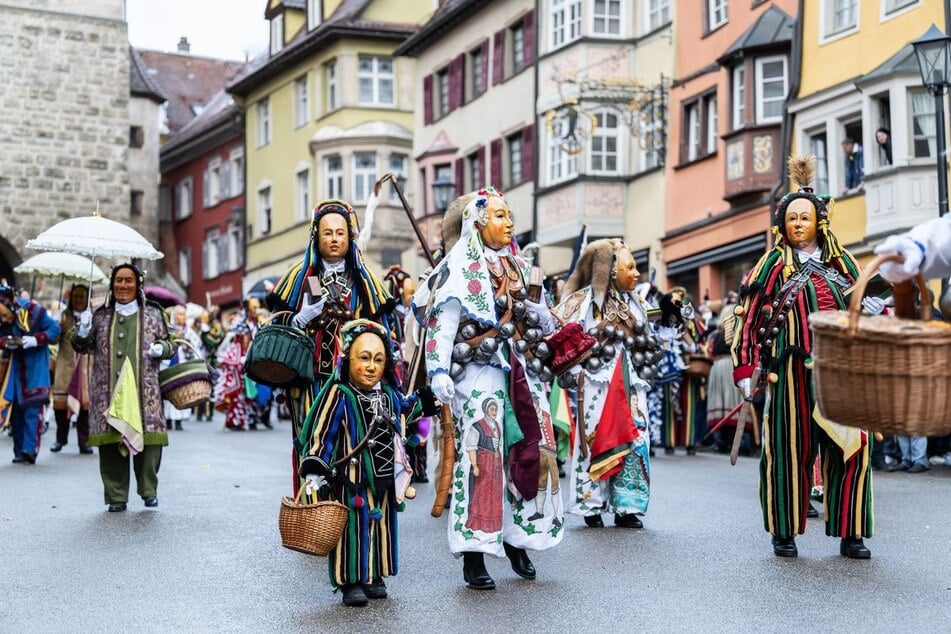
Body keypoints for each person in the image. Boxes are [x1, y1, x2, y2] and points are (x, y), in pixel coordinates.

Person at [412, 187, 564, 591]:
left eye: (509, 215)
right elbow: (443, 322)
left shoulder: (520, 267)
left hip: (522, 369)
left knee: (533, 448)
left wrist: (541, 314)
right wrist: (438, 371)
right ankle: (475, 552)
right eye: (499, 215)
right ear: (477, 223)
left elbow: (544, 319)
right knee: (484, 453)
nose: (509, 222)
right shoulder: (460, 265)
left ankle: (519, 538)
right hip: (480, 371)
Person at [731, 154, 879, 559]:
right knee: (787, 451)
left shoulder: (843, 262)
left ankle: (851, 532)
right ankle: (784, 532)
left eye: (805, 218)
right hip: (789, 370)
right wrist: (745, 366)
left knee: (853, 449)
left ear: (819, 222)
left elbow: (867, 305)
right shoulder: (770, 266)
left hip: (840, 372)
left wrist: (873, 308)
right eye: (791, 218)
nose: (798, 224)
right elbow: (748, 318)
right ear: (782, 225)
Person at [298, 319, 438, 607]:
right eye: (364, 358)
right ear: (349, 359)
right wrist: (315, 467)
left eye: (378, 359)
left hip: (384, 475)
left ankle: (374, 575)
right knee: (353, 527)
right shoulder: (340, 393)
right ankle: (350, 580)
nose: (372, 366)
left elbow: (403, 414)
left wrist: (425, 400)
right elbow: (323, 431)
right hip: (351, 478)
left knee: (380, 525)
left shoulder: (387, 393)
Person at [267, 200, 394, 504]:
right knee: (310, 439)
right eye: (327, 233)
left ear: (350, 237)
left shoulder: (364, 280)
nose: (334, 239)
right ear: (316, 236)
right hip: (308, 379)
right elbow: (278, 328)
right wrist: (300, 319)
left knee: (350, 440)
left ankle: (347, 509)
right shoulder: (301, 277)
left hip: (354, 381)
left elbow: (382, 331)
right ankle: (312, 510)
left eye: (340, 233)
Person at [552, 238, 652, 529]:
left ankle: (627, 506)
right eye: (630, 268)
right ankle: (590, 503)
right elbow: (560, 333)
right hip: (597, 382)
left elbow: (655, 334)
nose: (636, 274)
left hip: (632, 381)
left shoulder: (637, 302)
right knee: (594, 438)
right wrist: (577, 369)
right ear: (611, 271)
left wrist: (671, 315)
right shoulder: (584, 302)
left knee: (636, 438)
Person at [72, 264, 174, 512]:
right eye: (119, 280)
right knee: (110, 443)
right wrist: (82, 330)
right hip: (107, 390)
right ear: (112, 284)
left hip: (144, 391)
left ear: (138, 284)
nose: (123, 285)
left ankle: (148, 489)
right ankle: (116, 495)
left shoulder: (153, 314)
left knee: (149, 442)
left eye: (129, 280)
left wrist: (162, 349)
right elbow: (82, 346)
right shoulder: (100, 315)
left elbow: (172, 343)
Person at [0, 283, 60, 464]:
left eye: (4, 315)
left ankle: (30, 449)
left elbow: (55, 331)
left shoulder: (35, 311)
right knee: (16, 412)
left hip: (35, 368)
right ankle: (19, 451)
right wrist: (5, 341)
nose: (3, 319)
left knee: (32, 409)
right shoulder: (4, 321)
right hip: (14, 370)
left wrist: (36, 339)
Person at [50, 284, 92, 454]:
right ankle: (61, 439)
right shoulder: (64, 316)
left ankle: (84, 442)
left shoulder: (93, 318)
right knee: (60, 407)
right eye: (76, 296)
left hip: (86, 367)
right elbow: (54, 340)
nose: (78, 300)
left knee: (85, 409)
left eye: (82, 297)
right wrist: (55, 324)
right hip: (66, 367)